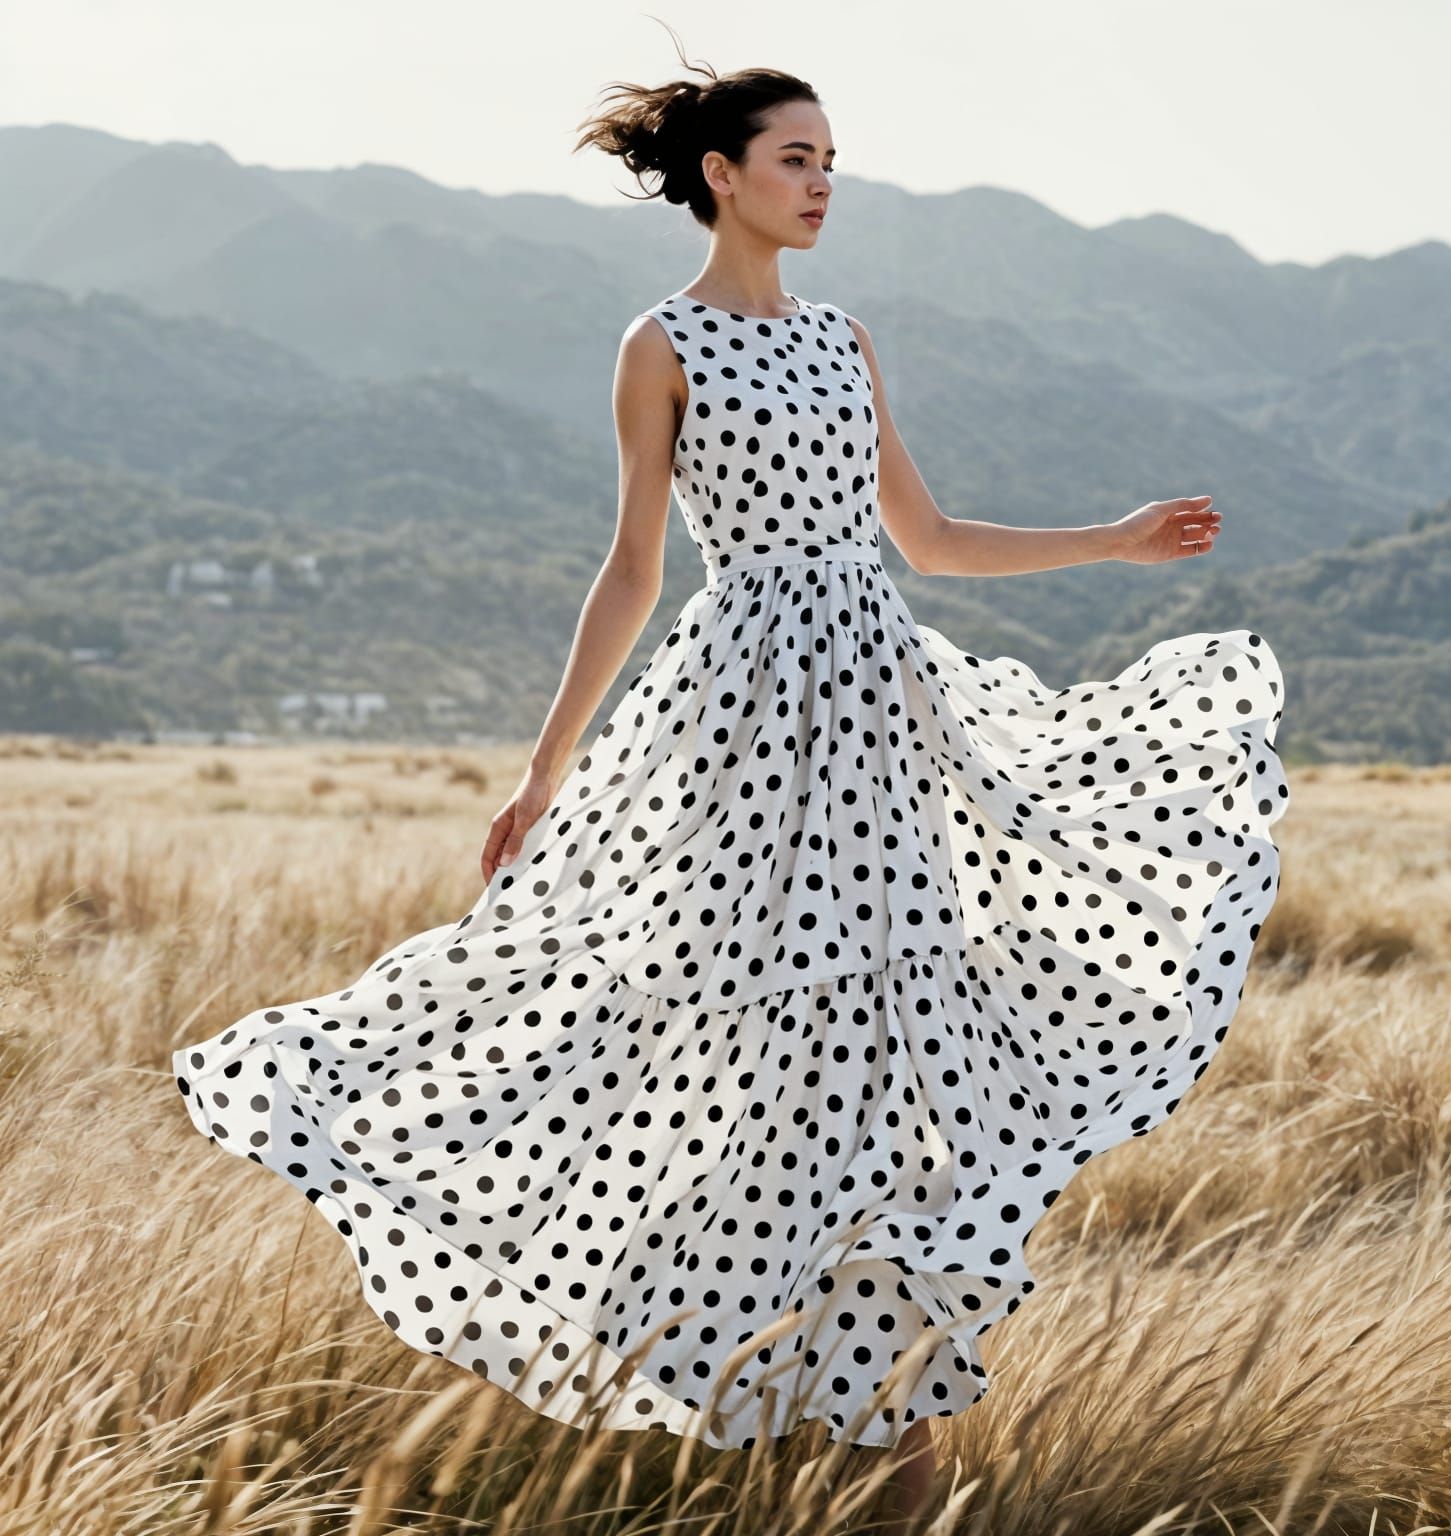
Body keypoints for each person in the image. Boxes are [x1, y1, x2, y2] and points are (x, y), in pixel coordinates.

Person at [171, 44, 1289, 1534]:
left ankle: (886, 1445)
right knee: (739, 1048)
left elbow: (933, 540)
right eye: (796, 160)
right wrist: (541, 769)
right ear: (721, 175)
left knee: (886, 1058)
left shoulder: (847, 341)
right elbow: (633, 569)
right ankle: (755, 1386)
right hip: (737, 722)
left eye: (834, 162)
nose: (822, 184)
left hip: (880, 716)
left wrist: (1118, 536)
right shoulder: (662, 345)